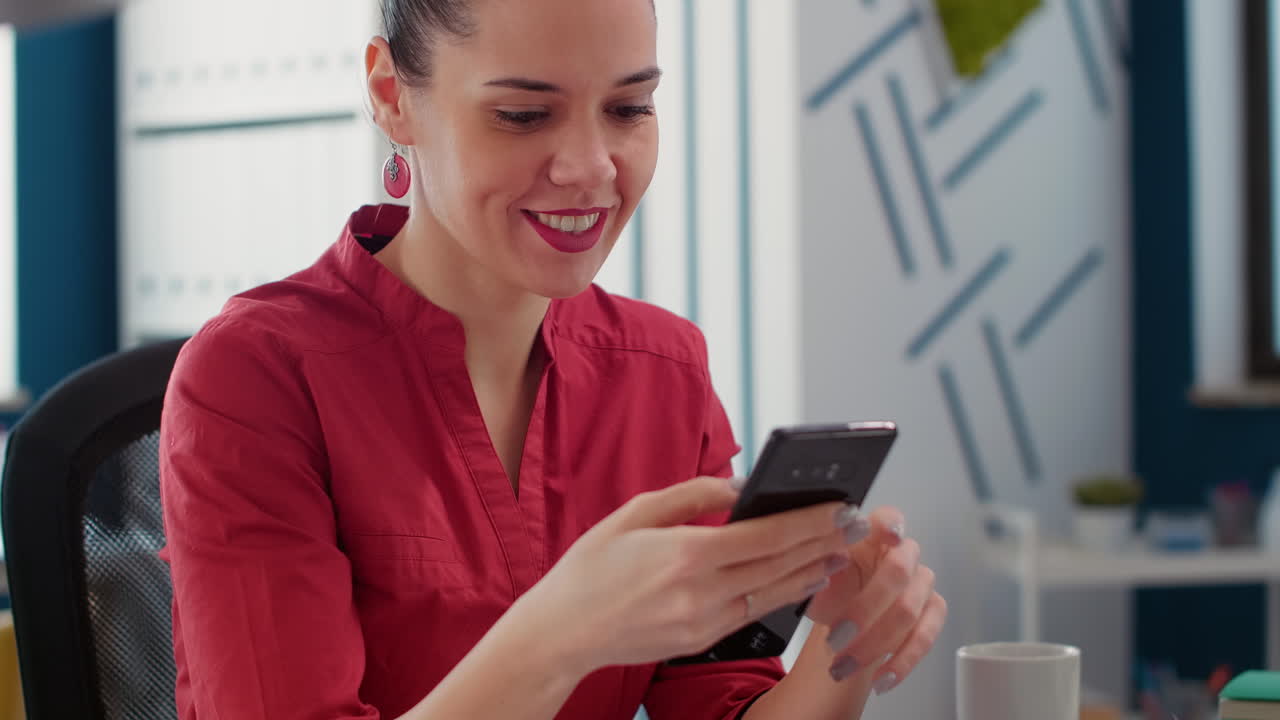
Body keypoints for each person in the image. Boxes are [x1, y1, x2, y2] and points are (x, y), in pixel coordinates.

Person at [158, 1, 947, 718]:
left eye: (629, 107)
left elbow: (715, 700)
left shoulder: (664, 371)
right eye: (524, 115)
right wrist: (566, 632)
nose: (591, 167)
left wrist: (853, 646)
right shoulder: (252, 380)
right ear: (394, 97)